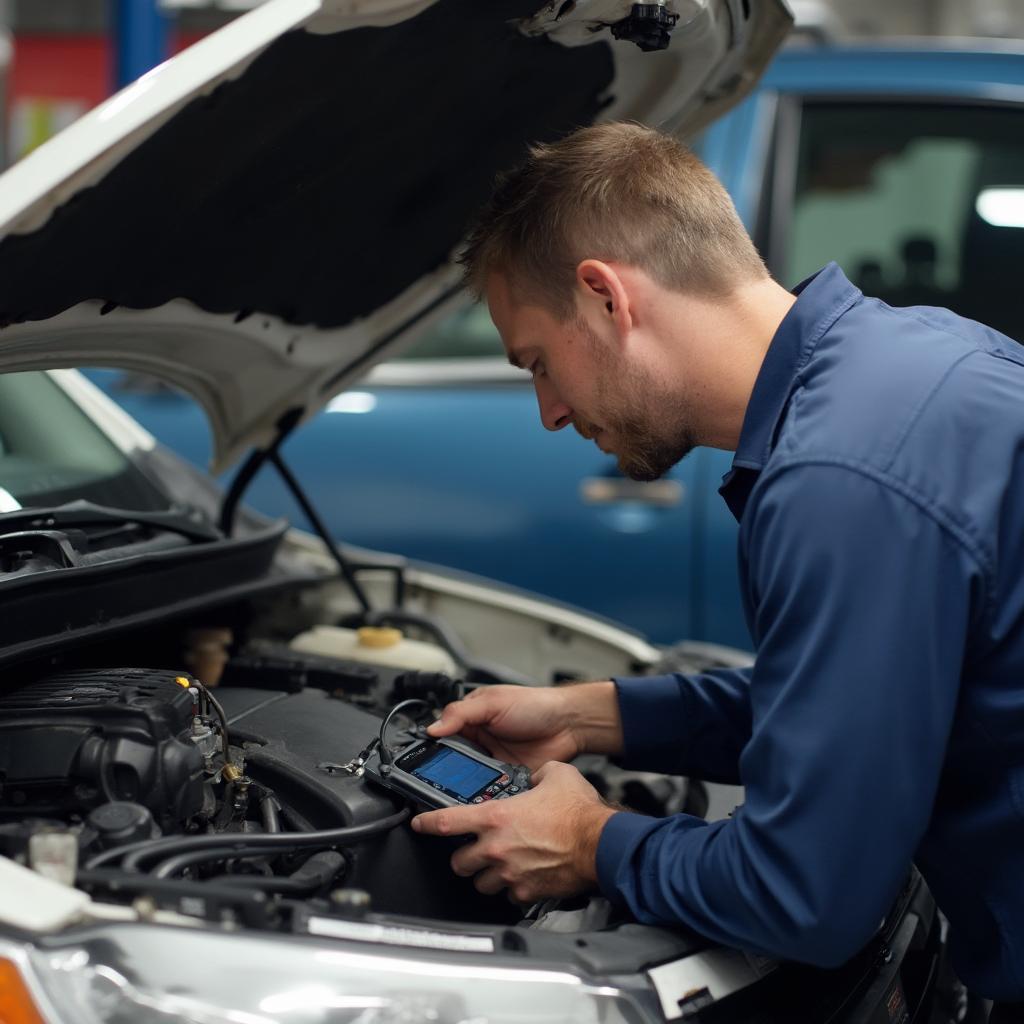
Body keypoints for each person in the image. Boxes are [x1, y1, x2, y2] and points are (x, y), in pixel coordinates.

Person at [409, 122, 1024, 1013]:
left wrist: (591, 841)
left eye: (538, 363)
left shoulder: (838, 480)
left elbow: (803, 897)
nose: (547, 411)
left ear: (604, 297)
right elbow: (867, 703)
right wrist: (593, 717)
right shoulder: (911, 360)